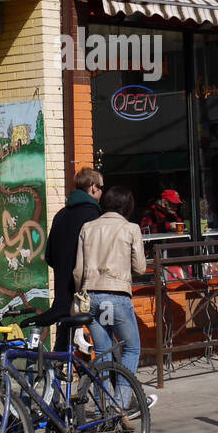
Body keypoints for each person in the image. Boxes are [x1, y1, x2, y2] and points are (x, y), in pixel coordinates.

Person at [73, 186, 146, 412]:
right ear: (127, 206)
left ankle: (100, 406)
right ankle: (121, 403)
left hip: (91, 296)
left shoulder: (88, 227)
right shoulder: (131, 228)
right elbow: (140, 268)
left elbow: (78, 271)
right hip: (117, 296)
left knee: (102, 353)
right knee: (132, 349)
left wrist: (82, 292)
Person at [29, 167, 102, 350]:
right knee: (105, 343)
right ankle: (112, 376)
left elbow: (50, 256)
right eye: (101, 187)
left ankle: (55, 374)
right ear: (92, 187)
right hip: (86, 294)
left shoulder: (61, 215)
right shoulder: (94, 215)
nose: (102, 192)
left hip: (63, 297)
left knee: (63, 343)